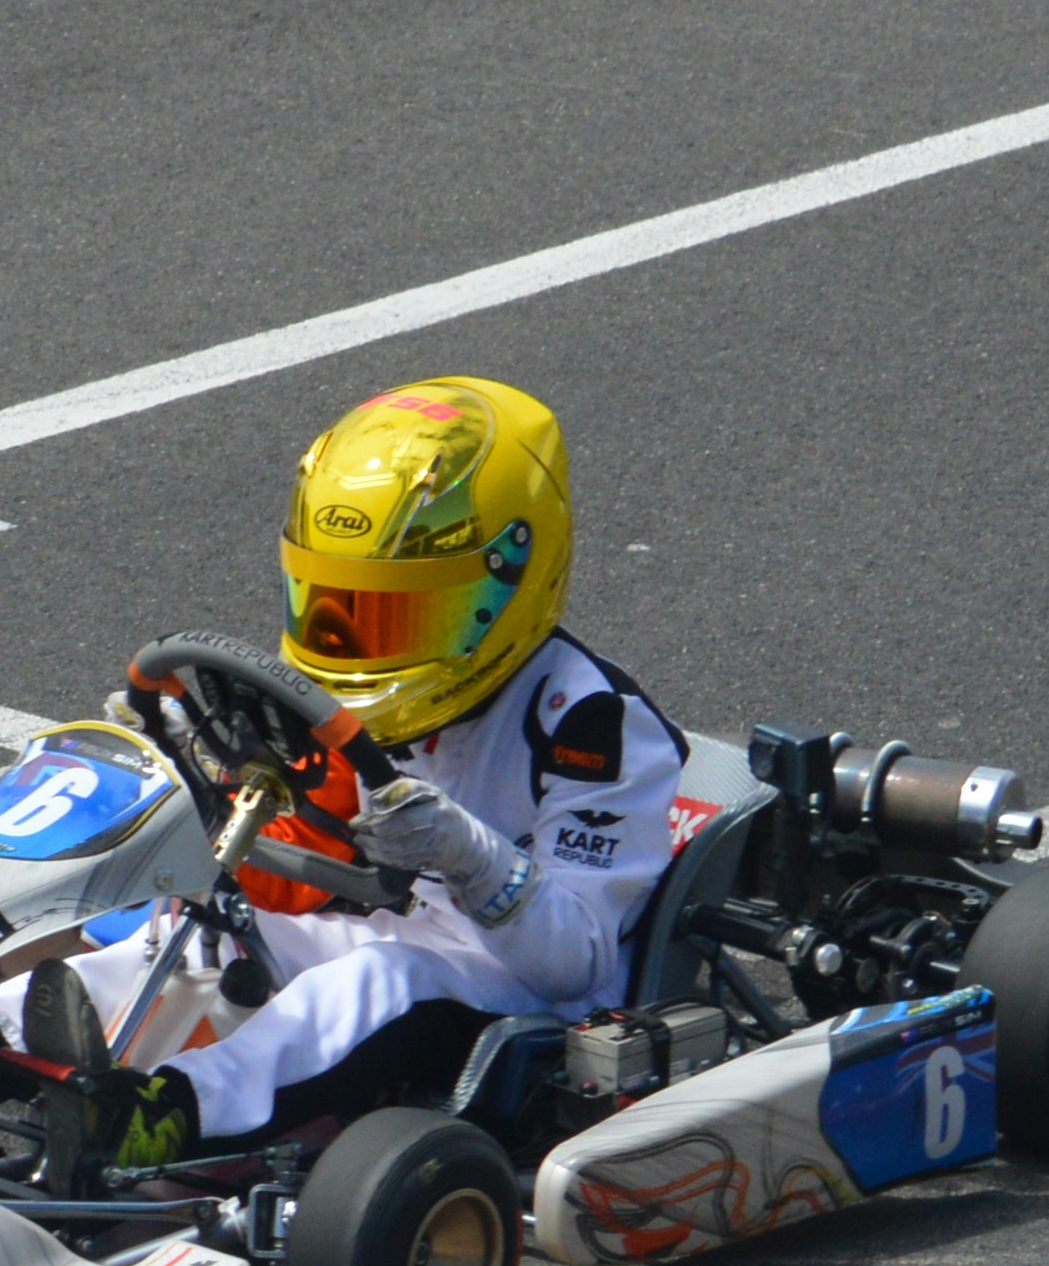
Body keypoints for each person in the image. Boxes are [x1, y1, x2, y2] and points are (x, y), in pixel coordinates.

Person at [57, 374, 683, 1146]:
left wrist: (470, 858)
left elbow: (577, 966)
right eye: (343, 611)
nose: (365, 650)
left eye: (404, 613)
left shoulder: (594, 723)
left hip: (521, 995)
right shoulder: (359, 700)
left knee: (373, 984)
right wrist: (191, 767)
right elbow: (292, 860)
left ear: (508, 581)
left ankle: (166, 1117)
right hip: (401, 932)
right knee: (199, 934)